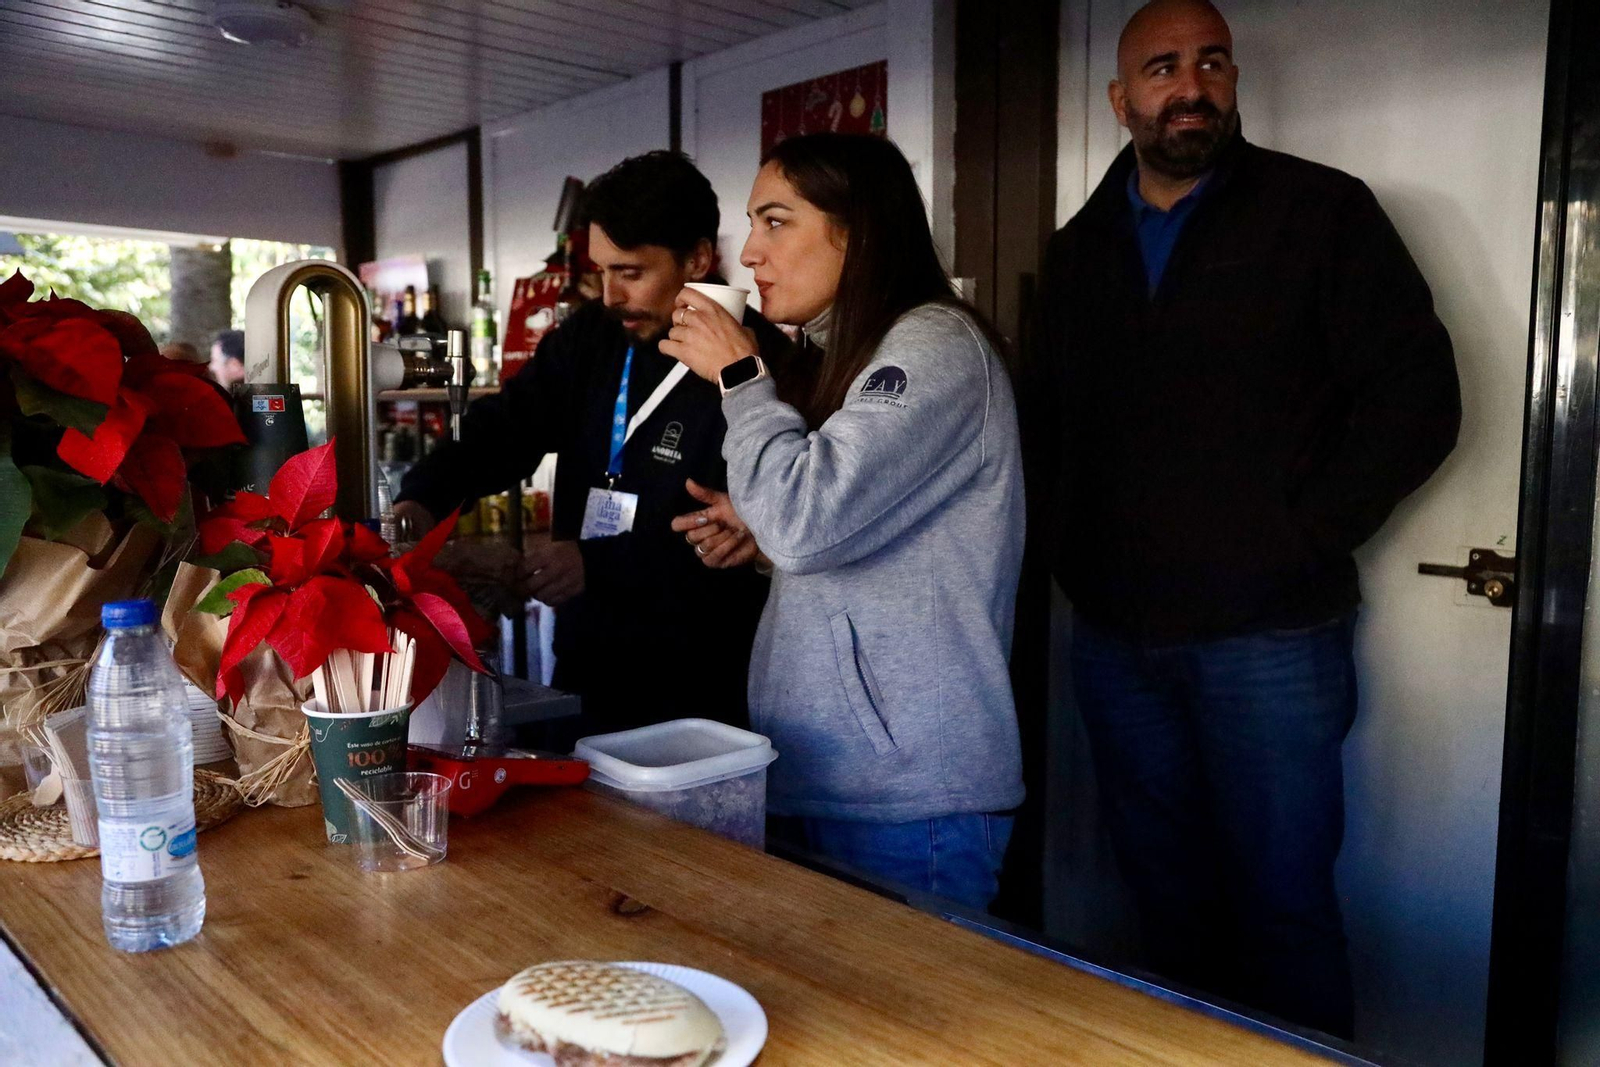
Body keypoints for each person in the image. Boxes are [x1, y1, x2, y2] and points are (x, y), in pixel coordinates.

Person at [1032, 0, 1461, 1037]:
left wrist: (1297, 533)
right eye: (1164, 67)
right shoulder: (1078, 249)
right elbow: (1052, 425)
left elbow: (1419, 397)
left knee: (1282, 911)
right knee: (1166, 909)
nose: (1192, 86)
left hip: (1270, 636)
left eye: (1212, 63)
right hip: (1118, 642)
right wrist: (1074, 557)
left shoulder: (1320, 213)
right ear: (1119, 96)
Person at [662, 133, 1026, 912]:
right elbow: (840, 527)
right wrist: (763, 539)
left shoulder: (932, 346)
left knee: (916, 1034)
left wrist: (738, 376)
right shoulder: (849, 354)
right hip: (830, 780)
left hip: (908, 801)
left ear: (855, 230)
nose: (751, 254)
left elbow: (808, 519)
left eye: (776, 222)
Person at [395, 151, 793, 730]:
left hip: (705, 681)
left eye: (630, 273)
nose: (609, 295)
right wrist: (423, 498)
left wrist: (600, 566)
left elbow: (744, 533)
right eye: (601, 271)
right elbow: (505, 429)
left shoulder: (758, 368)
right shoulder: (590, 340)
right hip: (587, 660)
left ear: (698, 258)